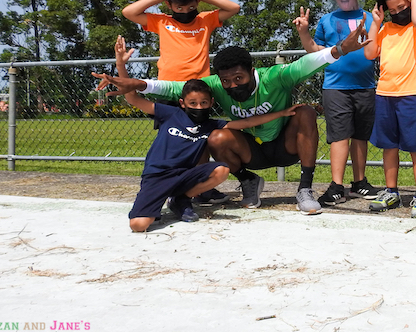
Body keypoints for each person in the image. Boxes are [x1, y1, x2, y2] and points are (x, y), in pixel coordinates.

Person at [97, 21, 370, 215]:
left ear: (251, 71)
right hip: (251, 150)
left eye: (238, 78)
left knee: (306, 112)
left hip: (285, 147)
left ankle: (305, 188)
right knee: (215, 135)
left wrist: (340, 49)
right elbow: (174, 87)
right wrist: (137, 83)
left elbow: (308, 63)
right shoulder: (215, 85)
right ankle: (248, 181)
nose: (232, 85)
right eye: (226, 80)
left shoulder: (275, 77)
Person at [94, 44, 302, 232]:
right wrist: (121, 65)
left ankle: (181, 199)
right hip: (158, 176)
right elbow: (132, 96)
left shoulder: (211, 124)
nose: (199, 107)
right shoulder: (169, 114)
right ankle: (160, 200)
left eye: (204, 103)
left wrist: (281, 113)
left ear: (211, 102)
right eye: (193, 103)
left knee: (221, 170)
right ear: (183, 103)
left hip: (185, 176)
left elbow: (247, 123)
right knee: (139, 225)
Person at [123, 0, 241, 205]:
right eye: (179, 7)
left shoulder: (205, 20)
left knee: (202, 140)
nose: (186, 11)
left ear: (197, 3)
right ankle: (171, 185)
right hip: (169, 90)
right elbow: (129, 12)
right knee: (172, 141)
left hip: (198, 91)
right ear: (169, 5)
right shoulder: (162, 21)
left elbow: (234, 7)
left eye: (191, 6)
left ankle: (201, 189)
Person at [293, 0, 380, 207]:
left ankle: (359, 182)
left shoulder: (371, 18)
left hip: (366, 85)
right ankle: (336, 186)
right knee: (340, 136)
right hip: (336, 87)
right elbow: (315, 50)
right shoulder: (326, 20)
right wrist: (303, 32)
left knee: (361, 136)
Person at [364, 0, 416, 218]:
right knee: (389, 146)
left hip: (413, 95)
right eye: (392, 10)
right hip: (385, 94)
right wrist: (376, 23)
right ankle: (391, 191)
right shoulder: (385, 29)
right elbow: (369, 52)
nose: (398, 13)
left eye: (402, 8)